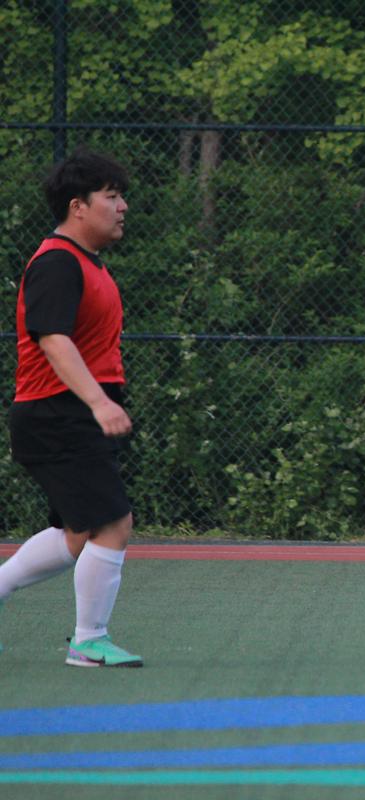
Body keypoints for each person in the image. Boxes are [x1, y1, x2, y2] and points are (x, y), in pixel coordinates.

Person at [0, 147, 142, 667]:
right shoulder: (57, 262)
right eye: (111, 196)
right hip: (57, 413)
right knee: (113, 523)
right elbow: (53, 339)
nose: (122, 206)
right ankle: (88, 642)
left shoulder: (83, 263)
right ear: (77, 206)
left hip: (65, 413)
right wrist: (98, 402)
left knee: (80, 532)